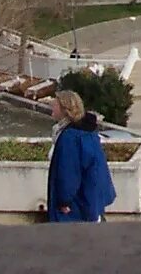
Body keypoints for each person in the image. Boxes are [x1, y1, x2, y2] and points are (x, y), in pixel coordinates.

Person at [46, 89, 116, 224]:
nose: (51, 108)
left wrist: (64, 201)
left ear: (65, 109)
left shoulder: (70, 137)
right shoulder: (88, 132)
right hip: (91, 198)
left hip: (76, 204)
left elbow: (68, 171)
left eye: (55, 105)